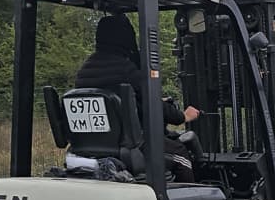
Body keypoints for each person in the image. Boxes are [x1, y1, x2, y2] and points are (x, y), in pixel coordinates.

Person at [75, 13, 200, 181]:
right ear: (126, 37)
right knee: (182, 156)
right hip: (131, 144)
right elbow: (153, 103)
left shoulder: (84, 72)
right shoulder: (126, 69)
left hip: (92, 145)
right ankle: (192, 197)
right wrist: (182, 116)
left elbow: (118, 104)